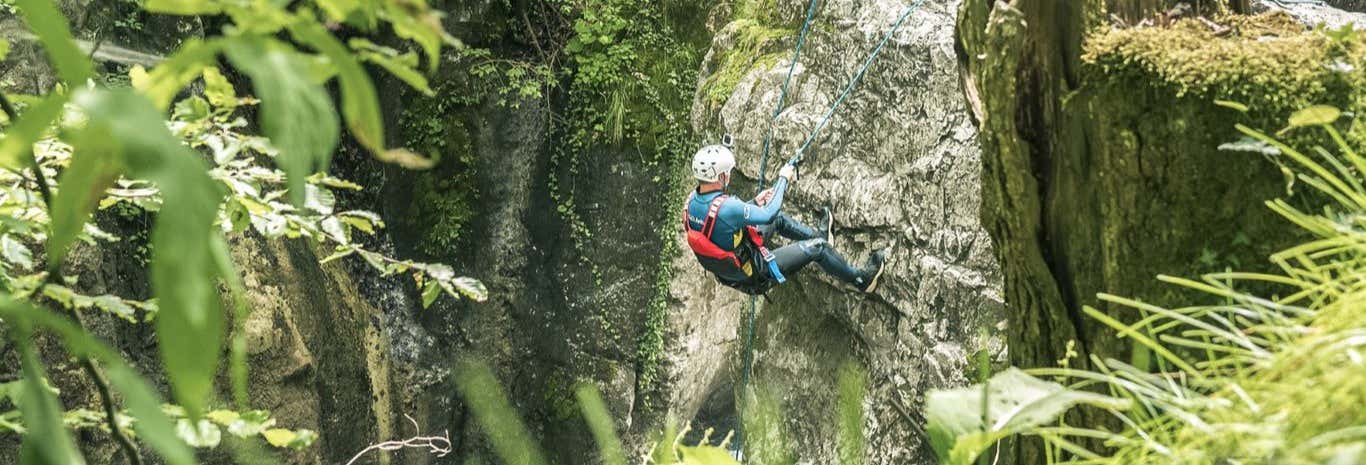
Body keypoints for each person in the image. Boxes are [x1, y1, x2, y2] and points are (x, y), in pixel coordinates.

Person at [683, 142, 888, 295]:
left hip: (738, 267)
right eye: (727, 173)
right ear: (720, 176)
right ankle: (861, 280)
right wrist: (783, 178)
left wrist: (754, 202)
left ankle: (819, 235)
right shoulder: (728, 208)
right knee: (818, 248)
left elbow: (722, 224)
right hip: (756, 272)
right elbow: (767, 213)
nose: (728, 176)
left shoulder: (692, 202)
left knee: (778, 220)